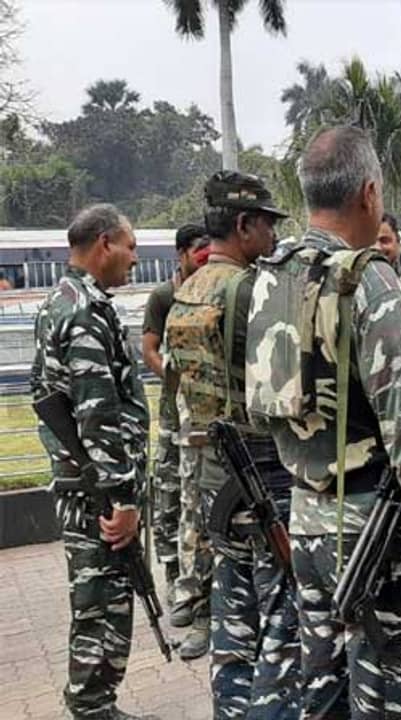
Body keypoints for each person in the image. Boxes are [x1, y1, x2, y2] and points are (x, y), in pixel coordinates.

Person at [245, 126, 401, 716]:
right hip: (376, 534)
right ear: (370, 193)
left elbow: (262, 408)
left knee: (322, 693)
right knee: (394, 697)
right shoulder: (368, 279)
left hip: (308, 521)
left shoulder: (272, 276)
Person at [165, 171, 300, 716]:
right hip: (263, 479)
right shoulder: (251, 291)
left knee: (232, 622)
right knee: (281, 622)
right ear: (243, 225)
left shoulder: (187, 292)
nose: (271, 237)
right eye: (267, 224)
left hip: (213, 480)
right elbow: (287, 393)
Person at [33, 204, 151, 720]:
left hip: (86, 482)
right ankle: (91, 705)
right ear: (105, 243)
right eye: (129, 247)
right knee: (102, 598)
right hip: (97, 491)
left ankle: (95, 703)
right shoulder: (82, 310)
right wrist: (123, 498)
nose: (134, 259)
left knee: (99, 594)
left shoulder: (63, 301)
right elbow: (97, 414)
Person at [140, 223, 207, 617]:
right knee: (167, 498)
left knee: (196, 501)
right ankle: (172, 576)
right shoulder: (164, 296)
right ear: (181, 253)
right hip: (172, 417)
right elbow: (149, 348)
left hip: (201, 419)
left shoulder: (210, 291)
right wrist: (175, 380)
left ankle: (196, 581)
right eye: (197, 250)